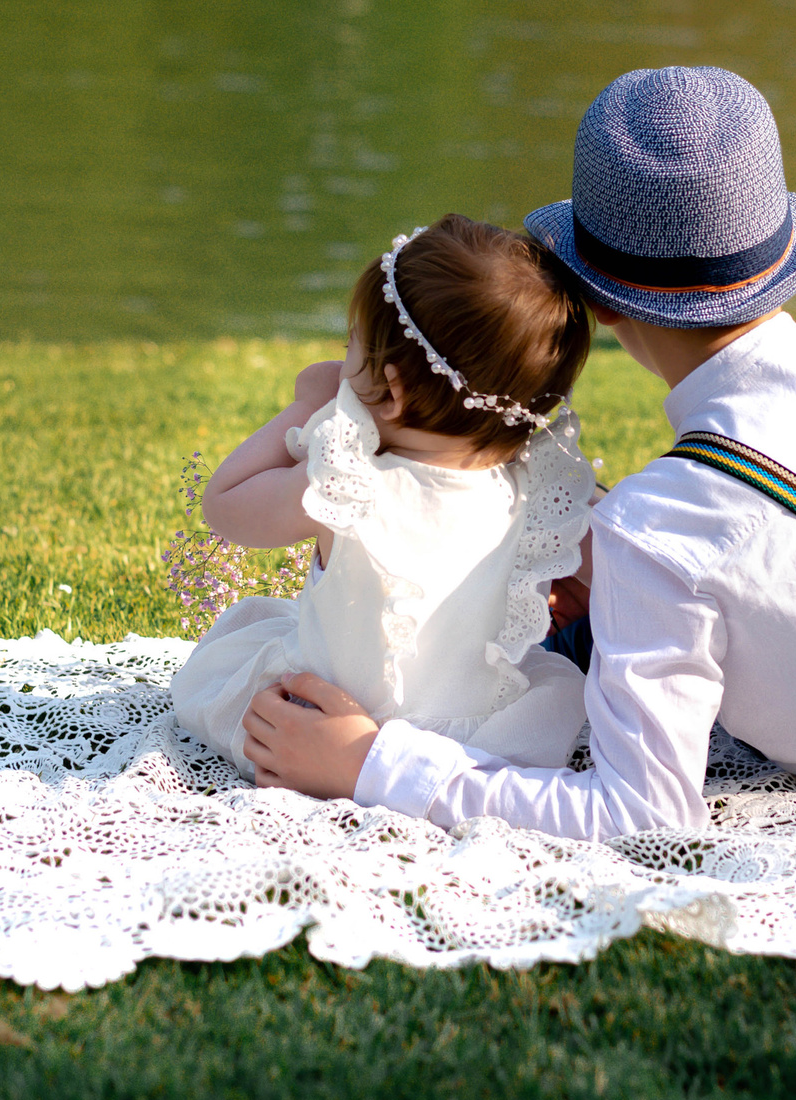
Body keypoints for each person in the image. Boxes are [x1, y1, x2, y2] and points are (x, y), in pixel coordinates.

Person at [240, 66, 796, 838]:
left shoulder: (658, 527)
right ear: (779, 251)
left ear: (601, 305)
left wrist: (371, 764)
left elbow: (640, 813)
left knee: (559, 624)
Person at [174, 214, 600, 779]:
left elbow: (225, 504)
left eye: (352, 347)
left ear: (392, 391)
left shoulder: (344, 481)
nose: (342, 362)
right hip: (479, 743)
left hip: (312, 727)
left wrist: (304, 412)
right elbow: (631, 573)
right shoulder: (537, 491)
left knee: (240, 647)